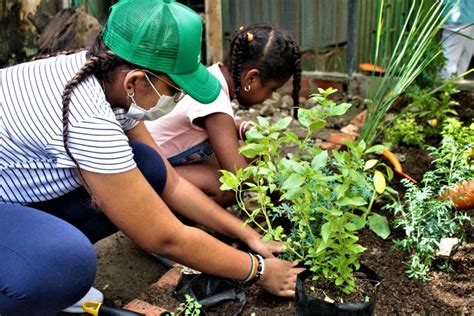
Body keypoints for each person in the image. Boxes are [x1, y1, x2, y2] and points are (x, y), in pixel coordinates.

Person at [0, 1, 303, 314]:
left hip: (15, 191)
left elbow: (170, 182)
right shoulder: (88, 118)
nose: (177, 98)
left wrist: (249, 235)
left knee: (148, 165)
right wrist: (259, 270)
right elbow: (165, 238)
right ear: (135, 81)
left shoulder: (106, 76)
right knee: (66, 266)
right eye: (174, 89)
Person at [145, 23, 302, 206]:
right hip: (141, 176)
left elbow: (209, 123)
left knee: (254, 155)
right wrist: (281, 191)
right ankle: (173, 227)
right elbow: (239, 176)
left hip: (155, 161)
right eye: (272, 89)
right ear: (251, 78)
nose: (271, 96)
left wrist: (243, 129)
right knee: (229, 188)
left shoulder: (211, 76)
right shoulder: (214, 102)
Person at [440, 0, 474, 79]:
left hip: (465, 13)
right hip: (458, 14)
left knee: (465, 53)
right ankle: (445, 86)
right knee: (450, 55)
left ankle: (454, 85)